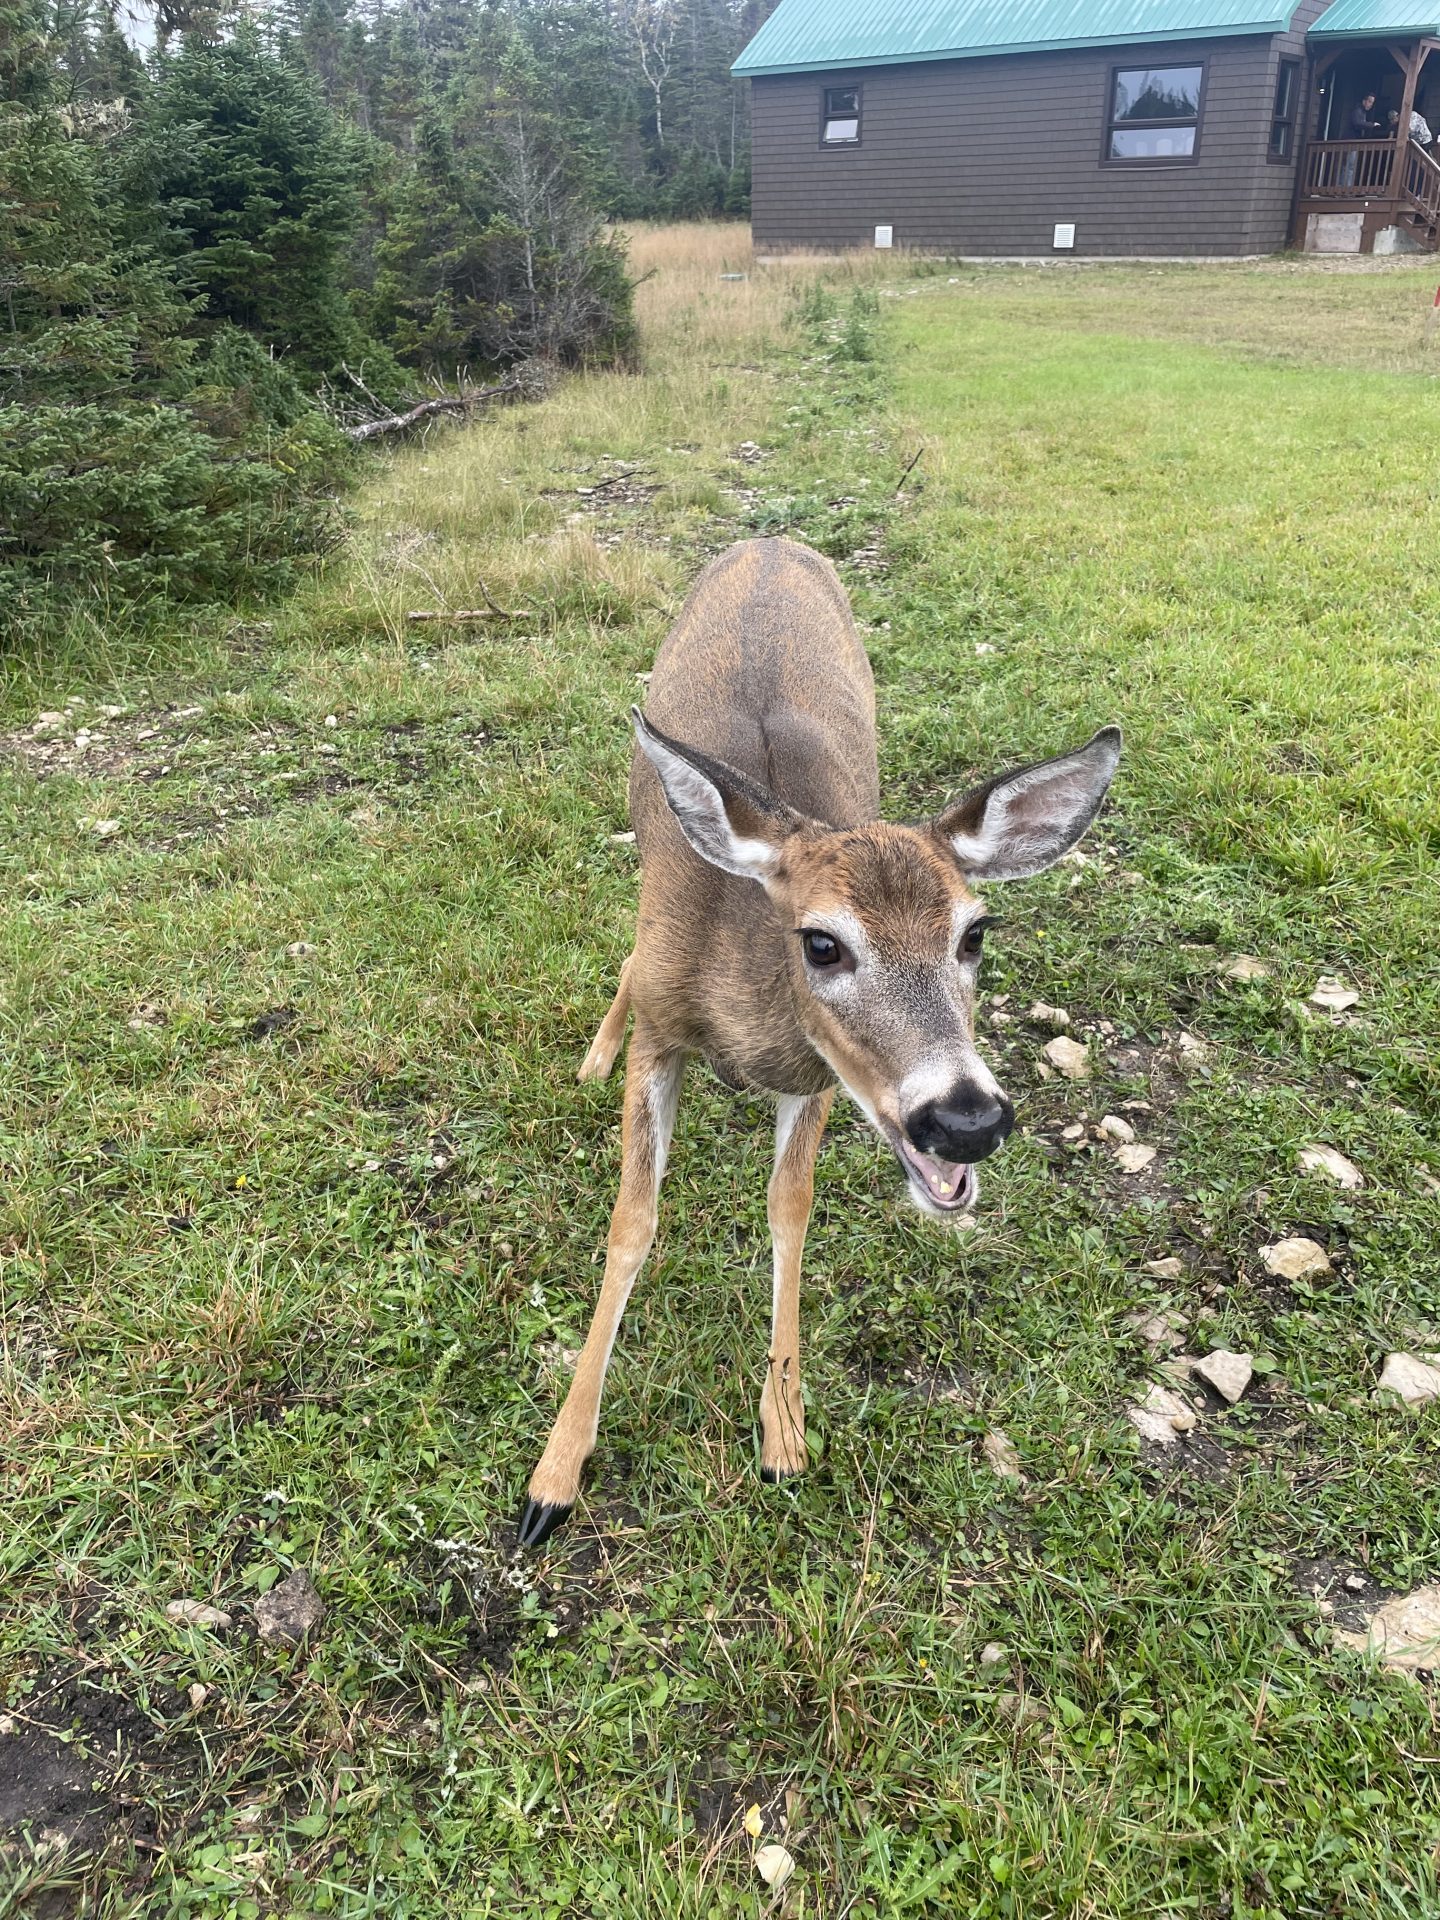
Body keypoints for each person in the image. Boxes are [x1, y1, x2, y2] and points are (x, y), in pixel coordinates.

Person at [1343, 92, 1384, 185]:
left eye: (1372, 103)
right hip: (1350, 141)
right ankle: (1343, 188)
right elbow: (1357, 123)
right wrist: (1372, 124)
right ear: (1364, 101)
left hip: (1354, 142)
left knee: (1350, 166)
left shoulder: (1362, 112)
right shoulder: (1357, 111)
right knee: (1349, 166)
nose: (1370, 105)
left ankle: (1345, 188)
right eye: (1369, 102)